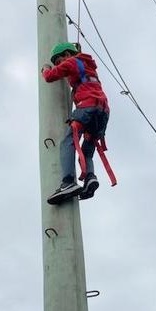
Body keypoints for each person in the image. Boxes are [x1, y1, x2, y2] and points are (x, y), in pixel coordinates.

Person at [41, 42, 110, 205]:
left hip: (87, 106)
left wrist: (45, 69)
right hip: (103, 110)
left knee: (68, 142)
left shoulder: (71, 62)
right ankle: (90, 178)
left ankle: (68, 182)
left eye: (59, 61)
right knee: (87, 151)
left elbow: (50, 76)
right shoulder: (86, 64)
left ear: (67, 55)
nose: (60, 65)